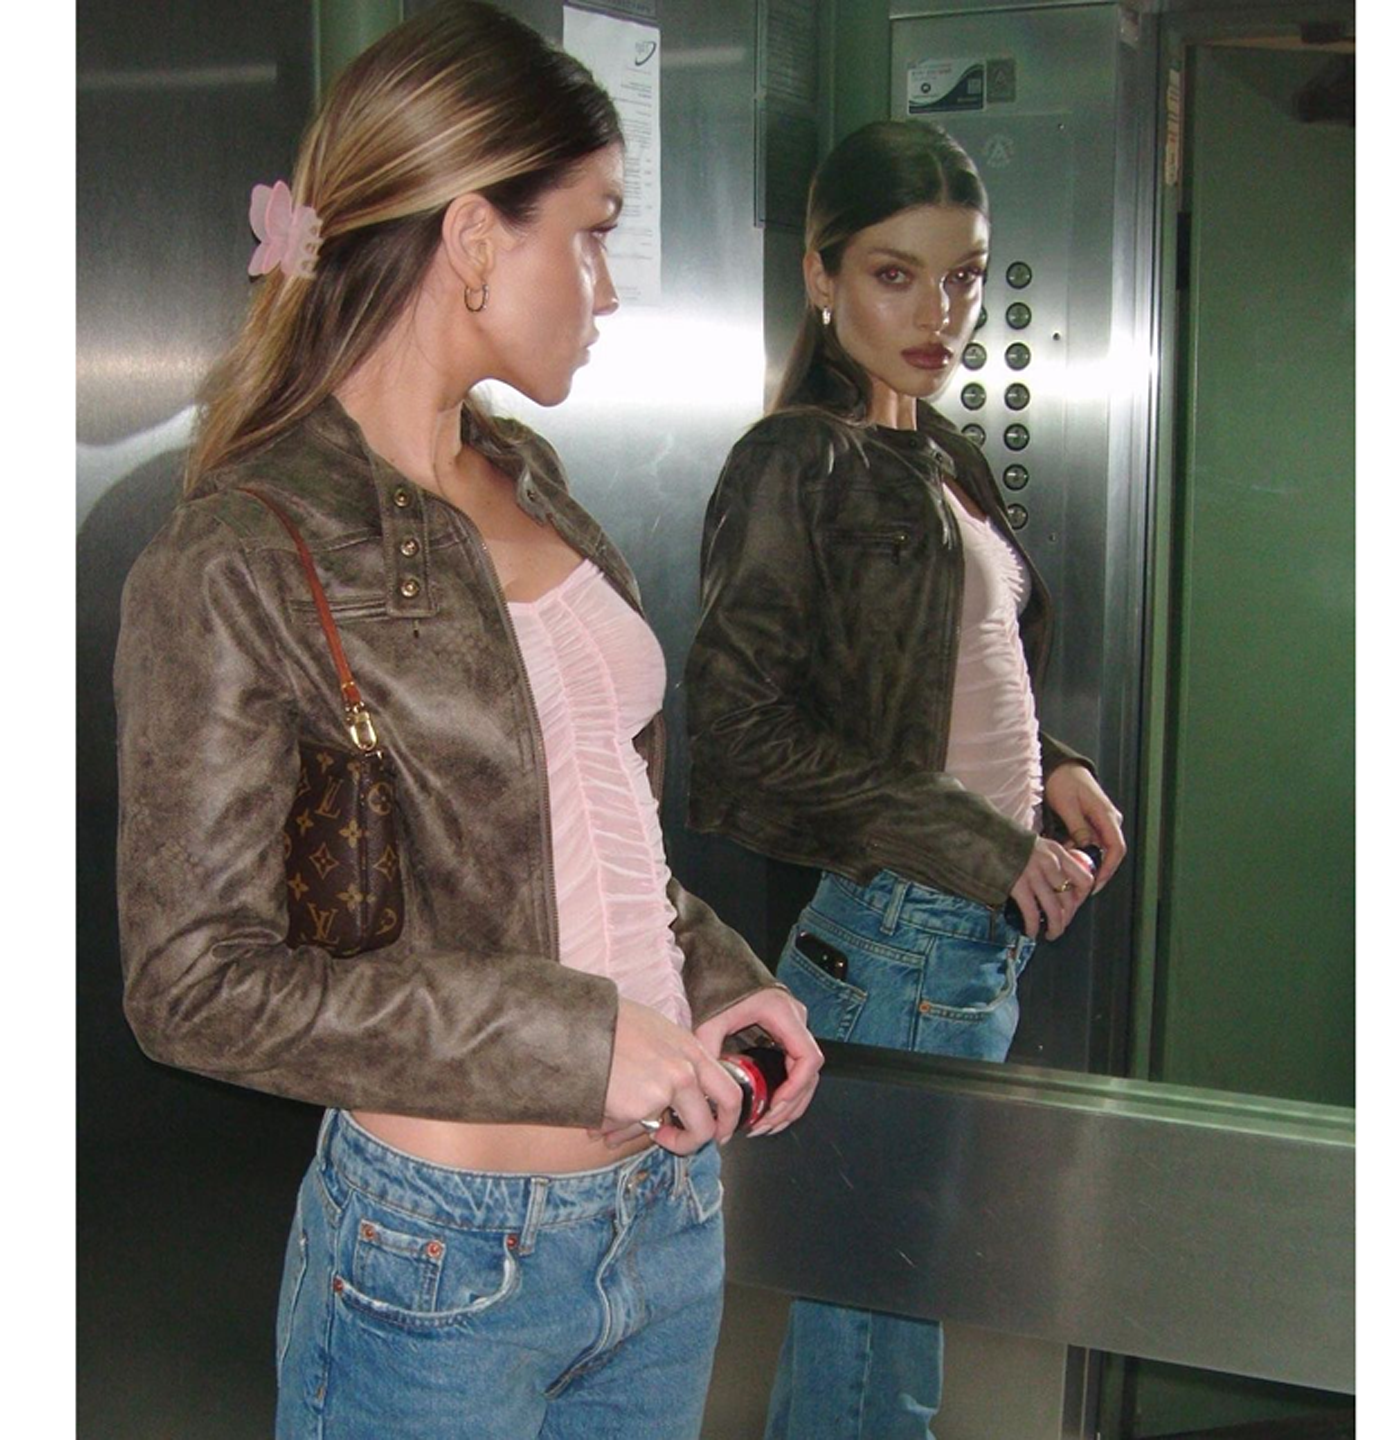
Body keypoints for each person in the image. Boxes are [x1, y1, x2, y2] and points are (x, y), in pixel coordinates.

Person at [113, 6, 821, 1437]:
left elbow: (589, 831)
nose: (605, 290)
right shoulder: (242, 551)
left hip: (667, 1215)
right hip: (441, 1260)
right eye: (591, 233)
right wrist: (577, 1039)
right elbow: (191, 983)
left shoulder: (530, 477)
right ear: (476, 239)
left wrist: (714, 978)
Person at [683, 119, 1127, 1440]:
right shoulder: (795, 458)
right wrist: (978, 841)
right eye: (896, 274)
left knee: (883, 1314)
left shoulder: (936, 454)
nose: (941, 313)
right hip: (900, 932)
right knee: (881, 1334)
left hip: (958, 933)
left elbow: (931, 687)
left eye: (964, 276)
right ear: (821, 275)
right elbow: (740, 739)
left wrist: (1051, 774)